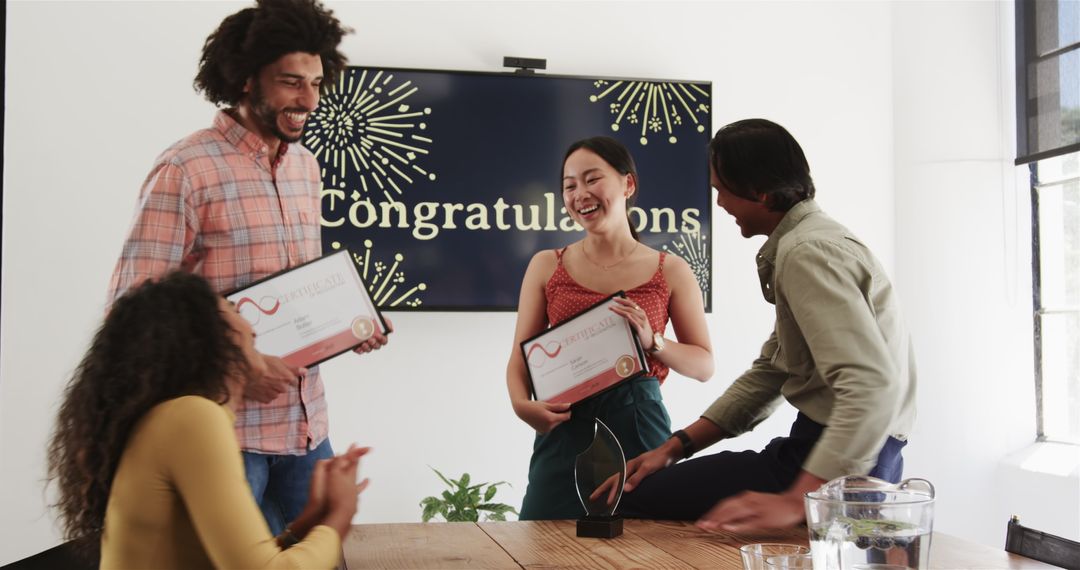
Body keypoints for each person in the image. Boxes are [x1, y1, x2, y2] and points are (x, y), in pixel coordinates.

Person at [106, 0, 388, 536]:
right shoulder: (185, 169)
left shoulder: (306, 166)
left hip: (307, 426)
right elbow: (133, 307)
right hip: (224, 432)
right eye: (290, 82)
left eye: (317, 83)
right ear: (243, 80)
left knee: (323, 558)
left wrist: (353, 321)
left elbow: (296, 289)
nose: (309, 100)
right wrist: (238, 359)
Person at [607, 118, 917, 532]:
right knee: (654, 495)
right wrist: (675, 447)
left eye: (720, 190)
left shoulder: (806, 253)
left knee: (634, 502)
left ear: (760, 192)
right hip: (831, 450)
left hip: (844, 460)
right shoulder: (807, 243)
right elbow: (773, 370)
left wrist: (796, 500)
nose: (718, 204)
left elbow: (871, 387)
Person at [48, 272, 370, 568]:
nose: (250, 322)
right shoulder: (193, 417)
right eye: (231, 308)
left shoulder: (179, 416)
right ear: (204, 337)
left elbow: (230, 558)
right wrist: (340, 515)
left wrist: (312, 519)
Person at [506, 136, 715, 520]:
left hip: (640, 433)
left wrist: (654, 342)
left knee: (646, 550)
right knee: (542, 549)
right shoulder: (545, 265)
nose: (580, 194)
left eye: (592, 179)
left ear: (628, 184)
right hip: (564, 429)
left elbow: (704, 365)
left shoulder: (670, 269)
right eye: (569, 185)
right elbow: (520, 358)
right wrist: (523, 407)